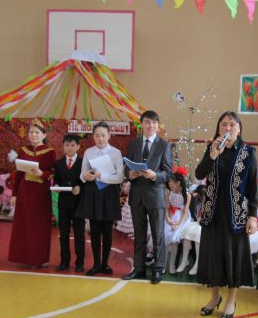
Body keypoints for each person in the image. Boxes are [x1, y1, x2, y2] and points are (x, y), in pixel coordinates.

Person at [196, 111, 258, 318]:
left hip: (236, 215)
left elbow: (253, 187)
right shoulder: (211, 148)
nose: (228, 128)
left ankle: (231, 300)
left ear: (239, 129)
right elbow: (199, 174)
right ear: (218, 128)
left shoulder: (248, 152)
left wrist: (252, 216)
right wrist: (212, 155)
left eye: (232, 124)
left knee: (233, 257)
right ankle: (215, 298)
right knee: (213, 256)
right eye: (224, 124)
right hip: (212, 212)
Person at [122, 110, 172, 284]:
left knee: (158, 235)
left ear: (158, 126)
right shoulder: (134, 144)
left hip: (155, 196)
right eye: (147, 122)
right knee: (139, 235)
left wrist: (154, 175)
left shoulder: (164, 145)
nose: (151, 125)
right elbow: (126, 168)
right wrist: (130, 174)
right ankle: (139, 268)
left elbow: (168, 173)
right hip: (137, 196)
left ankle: (158, 269)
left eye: (154, 123)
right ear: (141, 124)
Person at [75, 122, 124, 276]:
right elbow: (82, 174)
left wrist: (101, 175)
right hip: (93, 193)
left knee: (107, 231)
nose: (100, 138)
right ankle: (96, 264)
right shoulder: (89, 152)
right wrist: (85, 176)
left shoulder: (116, 153)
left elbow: (120, 177)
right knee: (94, 231)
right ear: (93, 137)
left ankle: (105, 264)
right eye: (97, 135)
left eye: (103, 135)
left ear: (109, 135)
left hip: (109, 194)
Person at [8, 118, 56, 267]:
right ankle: (23, 258)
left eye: (37, 132)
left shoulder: (50, 152)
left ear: (44, 135)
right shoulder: (23, 150)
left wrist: (42, 173)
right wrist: (14, 194)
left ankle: (39, 259)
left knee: (39, 226)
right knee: (24, 225)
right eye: (31, 132)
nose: (33, 135)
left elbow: (52, 173)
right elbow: (18, 174)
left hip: (41, 194)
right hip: (25, 192)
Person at [52, 134, 85, 272]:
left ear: (78, 147)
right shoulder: (58, 163)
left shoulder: (83, 163)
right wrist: (56, 186)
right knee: (63, 234)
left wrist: (80, 188)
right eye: (67, 145)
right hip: (63, 204)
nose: (69, 148)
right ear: (63, 147)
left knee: (79, 234)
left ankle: (80, 262)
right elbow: (56, 180)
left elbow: (86, 182)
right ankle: (64, 261)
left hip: (79, 204)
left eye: (72, 145)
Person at [164, 166, 192, 274]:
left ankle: (172, 265)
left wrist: (178, 224)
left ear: (178, 183)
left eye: (171, 181)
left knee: (174, 239)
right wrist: (168, 219)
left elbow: (185, 213)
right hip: (170, 216)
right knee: (165, 237)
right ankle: (163, 265)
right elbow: (167, 208)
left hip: (181, 219)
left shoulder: (187, 195)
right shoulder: (168, 192)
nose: (169, 183)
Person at [180, 185, 206, 276]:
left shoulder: (211, 202)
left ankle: (198, 263)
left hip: (207, 225)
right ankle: (184, 261)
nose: (202, 198)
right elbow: (197, 215)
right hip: (199, 222)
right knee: (187, 232)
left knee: (198, 235)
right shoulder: (195, 200)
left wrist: (202, 219)